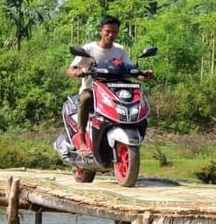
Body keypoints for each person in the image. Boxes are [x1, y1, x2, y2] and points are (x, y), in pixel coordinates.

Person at [65, 15, 152, 155]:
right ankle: (81, 139)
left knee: (138, 100)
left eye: (114, 32)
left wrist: (143, 75)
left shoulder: (119, 50)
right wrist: (78, 72)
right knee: (85, 98)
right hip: (93, 89)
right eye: (108, 31)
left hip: (116, 90)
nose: (111, 35)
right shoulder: (89, 49)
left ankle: (130, 137)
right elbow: (70, 70)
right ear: (101, 31)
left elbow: (130, 70)